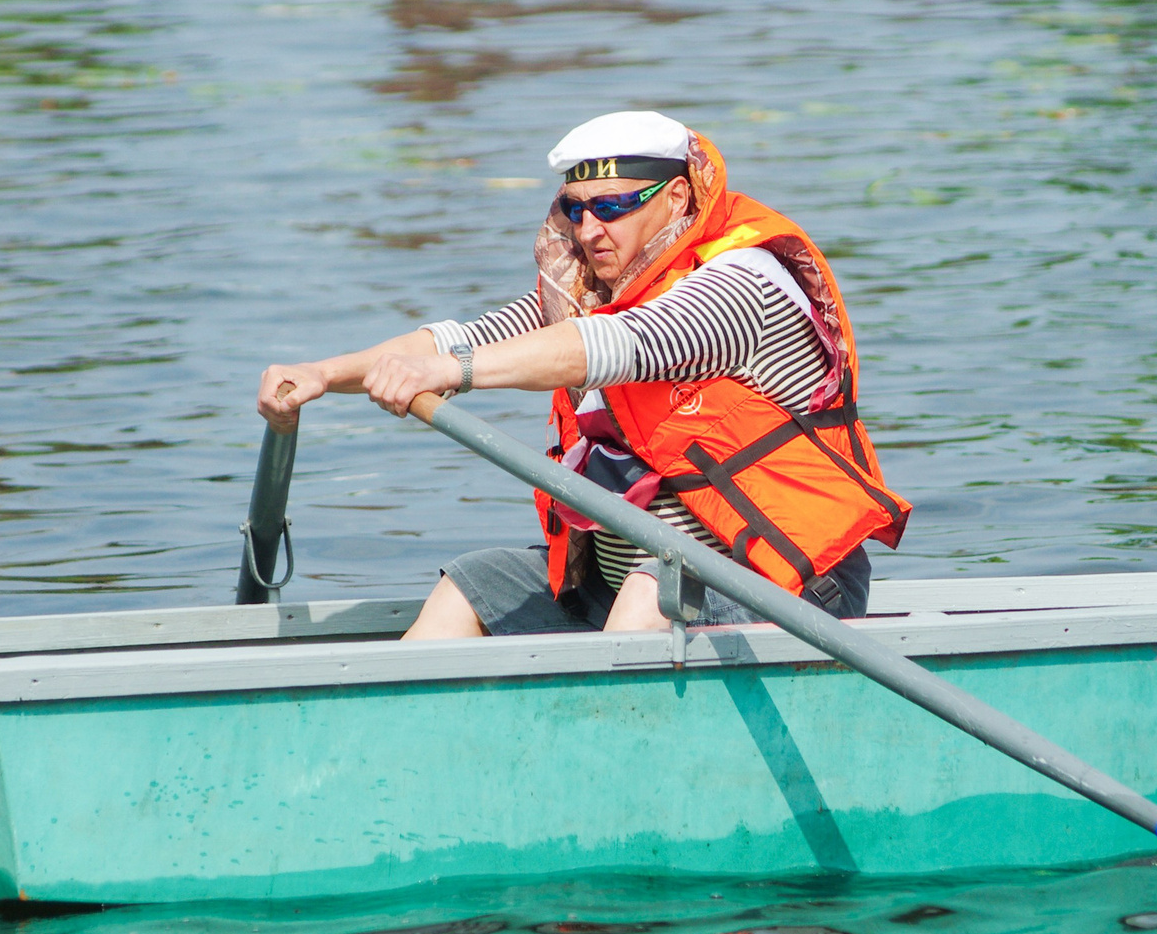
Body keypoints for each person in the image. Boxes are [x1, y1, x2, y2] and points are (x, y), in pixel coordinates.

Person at [256, 111, 910, 639]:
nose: (591, 230)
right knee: (470, 584)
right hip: (622, 588)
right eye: (576, 209)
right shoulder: (592, 290)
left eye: (615, 205)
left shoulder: (745, 283)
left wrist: (447, 372)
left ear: (678, 197)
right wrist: (322, 372)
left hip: (786, 581)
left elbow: (616, 345)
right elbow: (462, 337)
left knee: (651, 593)